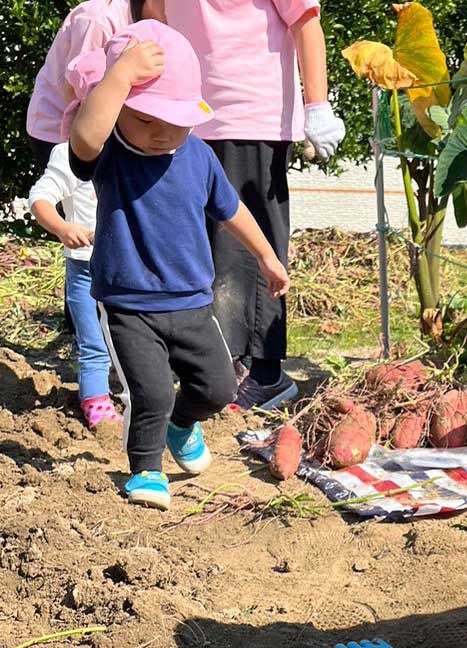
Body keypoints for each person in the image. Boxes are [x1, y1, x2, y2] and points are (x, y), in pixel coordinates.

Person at [67, 20, 290, 510]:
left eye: (175, 120)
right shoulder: (111, 157)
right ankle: (146, 472)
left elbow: (231, 209)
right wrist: (121, 74)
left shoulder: (199, 157)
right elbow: (84, 137)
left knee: (218, 387)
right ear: (120, 109)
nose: (161, 133)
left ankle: (181, 425)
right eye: (145, 119)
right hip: (128, 304)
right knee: (150, 391)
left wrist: (267, 256)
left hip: (192, 300)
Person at [165, 0, 346, 411]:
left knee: (248, 245)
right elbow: (156, 20)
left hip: (251, 112)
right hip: (185, 116)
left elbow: (305, 22)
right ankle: (219, 365)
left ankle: (265, 375)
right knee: (203, 247)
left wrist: (317, 105)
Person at [28, 143, 122, 429]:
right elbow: (40, 196)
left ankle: (141, 396)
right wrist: (62, 227)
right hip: (85, 266)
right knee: (93, 340)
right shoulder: (69, 153)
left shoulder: (135, 149)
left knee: (134, 338)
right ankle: (96, 403)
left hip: (129, 267)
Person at [26, 0, 164, 170]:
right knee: (73, 193)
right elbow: (77, 90)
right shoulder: (98, 21)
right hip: (58, 131)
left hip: (105, 129)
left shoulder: (156, 25)